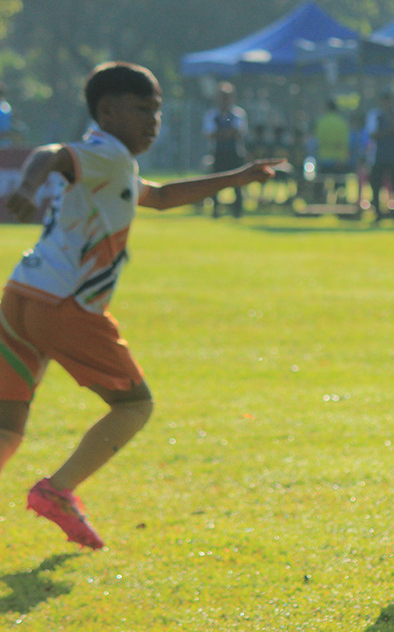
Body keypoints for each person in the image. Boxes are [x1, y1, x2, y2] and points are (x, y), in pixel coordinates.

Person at [0, 62, 279, 550]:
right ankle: (56, 491)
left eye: (157, 111)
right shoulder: (103, 152)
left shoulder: (114, 163)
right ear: (107, 111)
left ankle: (57, 492)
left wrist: (238, 176)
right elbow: (52, 154)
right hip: (65, 306)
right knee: (135, 405)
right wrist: (25, 188)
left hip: (21, 294)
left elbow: (164, 196)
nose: (154, 121)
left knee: (5, 424)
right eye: (142, 110)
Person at [203, 81, 249, 218]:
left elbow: (240, 131)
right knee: (216, 183)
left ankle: (238, 210)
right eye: (222, 96)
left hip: (234, 153)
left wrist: (222, 133)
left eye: (228, 96)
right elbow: (209, 133)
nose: (225, 100)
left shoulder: (238, 114)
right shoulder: (211, 114)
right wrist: (227, 133)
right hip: (218, 153)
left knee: (237, 182)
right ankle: (216, 209)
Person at [364, 90, 394, 222]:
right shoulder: (374, 115)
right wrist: (390, 131)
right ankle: (377, 213)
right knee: (376, 186)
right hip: (378, 157)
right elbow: (372, 134)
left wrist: (389, 123)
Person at [313, 99, 351, 203]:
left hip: (324, 157)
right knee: (339, 182)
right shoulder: (342, 123)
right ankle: (340, 199)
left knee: (321, 181)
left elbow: (318, 140)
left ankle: (320, 199)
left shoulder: (321, 122)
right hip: (339, 158)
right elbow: (345, 142)